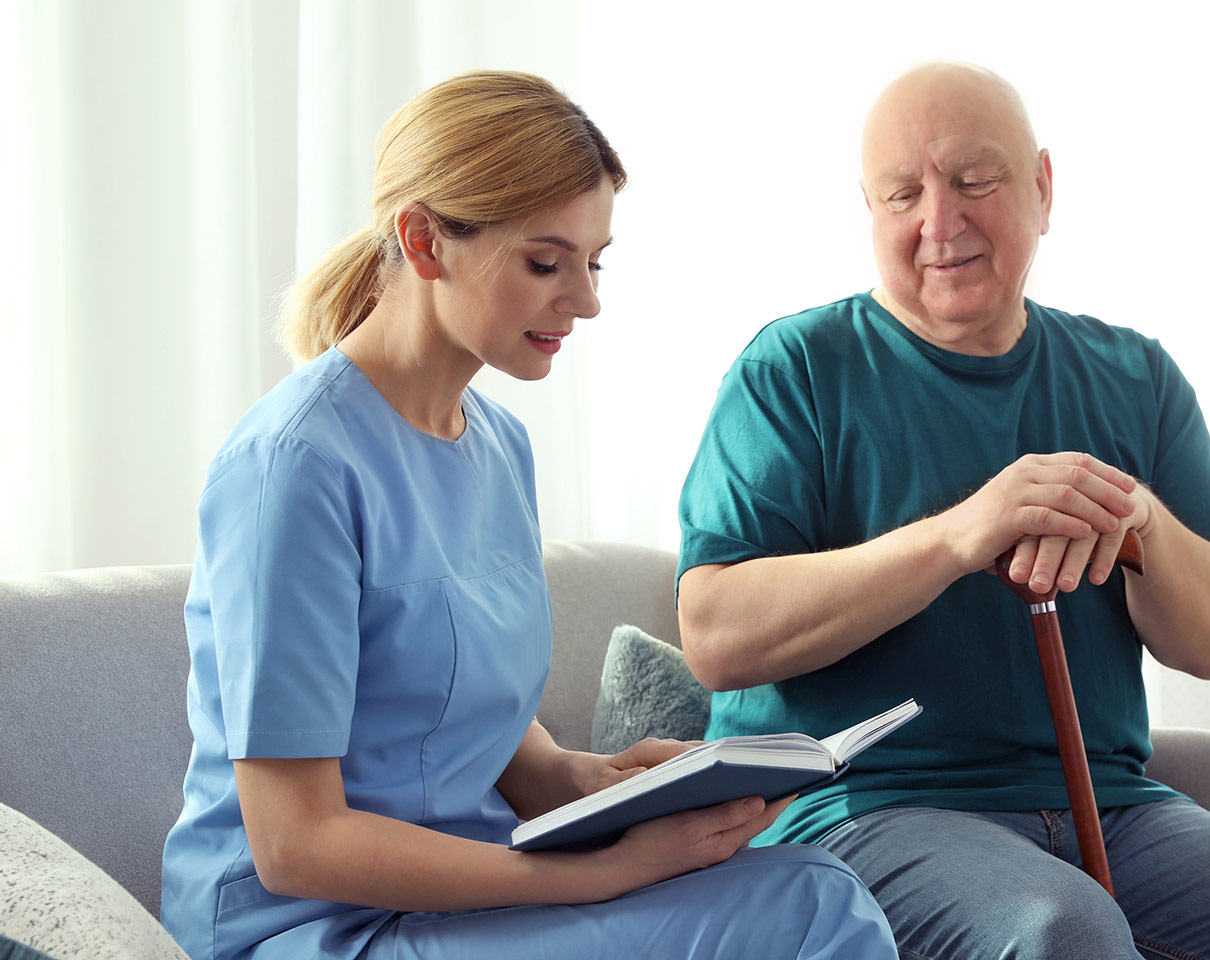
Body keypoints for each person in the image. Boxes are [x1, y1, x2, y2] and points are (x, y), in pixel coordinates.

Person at [675, 61, 1210, 959]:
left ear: (1042, 186)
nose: (939, 223)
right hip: (865, 810)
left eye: (974, 181)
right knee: (1062, 932)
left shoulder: (1136, 377)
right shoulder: (791, 371)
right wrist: (955, 535)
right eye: (902, 195)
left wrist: (1138, 521)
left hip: (1110, 808)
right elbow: (716, 635)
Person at [160, 70, 899, 960]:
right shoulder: (293, 469)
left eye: (594, 262)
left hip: (469, 901)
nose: (585, 300)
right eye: (546, 263)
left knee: (809, 883)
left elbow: (501, 751)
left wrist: (623, 785)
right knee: (808, 915)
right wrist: (602, 873)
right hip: (314, 930)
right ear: (423, 241)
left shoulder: (500, 447)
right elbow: (295, 844)